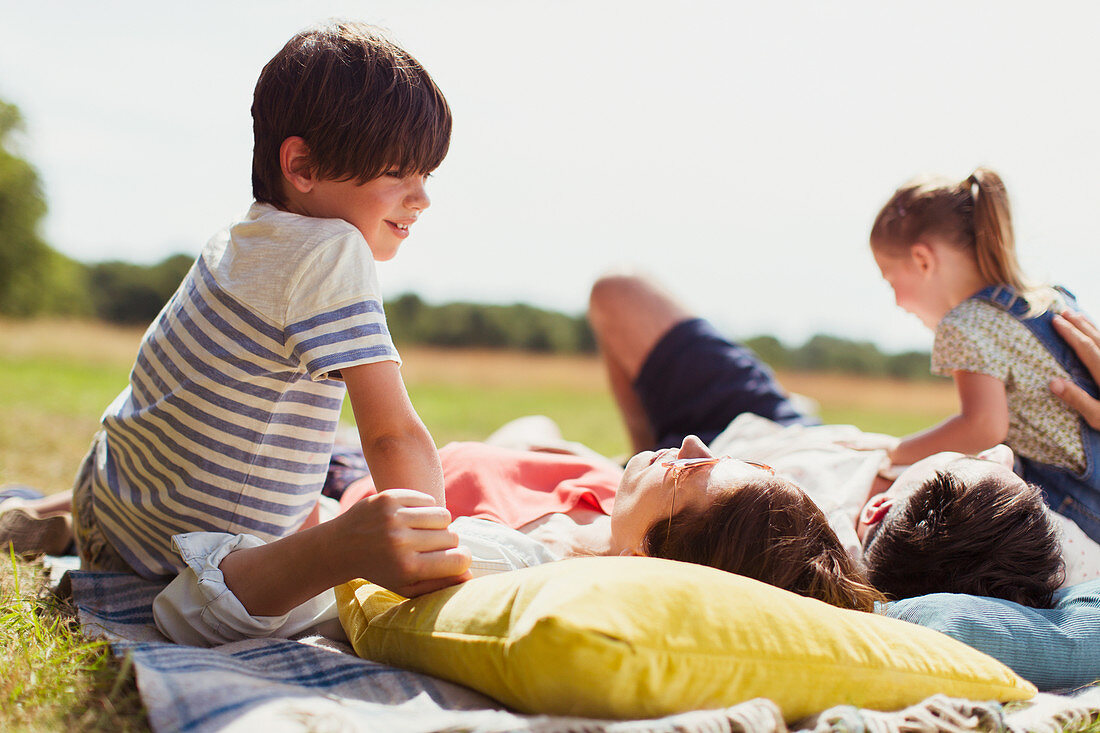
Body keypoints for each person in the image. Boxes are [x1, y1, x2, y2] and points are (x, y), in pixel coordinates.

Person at [64, 20, 471, 616]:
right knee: (342, 539)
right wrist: (432, 555)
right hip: (206, 572)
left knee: (311, 482)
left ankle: (55, 519)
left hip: (112, 507)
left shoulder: (239, 239)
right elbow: (392, 433)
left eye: (426, 174)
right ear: (302, 165)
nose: (422, 198)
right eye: (397, 173)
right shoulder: (332, 249)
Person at [586, 273, 1094, 606]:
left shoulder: (803, 552)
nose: (1002, 453)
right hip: (787, 429)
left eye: (969, 461)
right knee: (618, 294)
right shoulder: (1029, 532)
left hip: (714, 479)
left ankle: (637, 470)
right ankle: (642, 455)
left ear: (876, 513)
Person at [153, 430, 882, 645]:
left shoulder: (496, 561)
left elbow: (187, 613)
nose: (690, 441)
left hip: (337, 470)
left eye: (688, 476)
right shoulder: (612, 502)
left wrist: (335, 545)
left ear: (647, 557)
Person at [868, 168, 1100, 541]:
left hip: (1076, 505)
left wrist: (896, 453)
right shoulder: (1050, 298)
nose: (896, 301)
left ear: (923, 260)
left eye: (890, 278)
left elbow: (982, 426)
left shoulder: (964, 323)